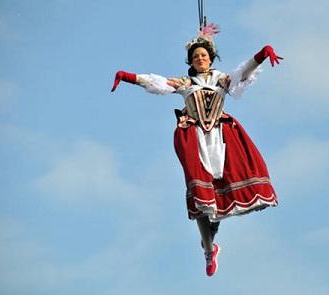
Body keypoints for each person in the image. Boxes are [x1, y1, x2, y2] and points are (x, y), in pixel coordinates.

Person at [111, 24, 282, 277]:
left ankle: (210, 235)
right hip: (195, 138)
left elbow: (242, 71)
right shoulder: (185, 83)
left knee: (218, 191)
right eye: (195, 56)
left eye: (203, 55)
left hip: (222, 138)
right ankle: (209, 250)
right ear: (190, 61)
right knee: (201, 197)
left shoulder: (222, 80)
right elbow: (156, 82)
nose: (200, 59)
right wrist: (128, 77)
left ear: (210, 58)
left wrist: (261, 54)